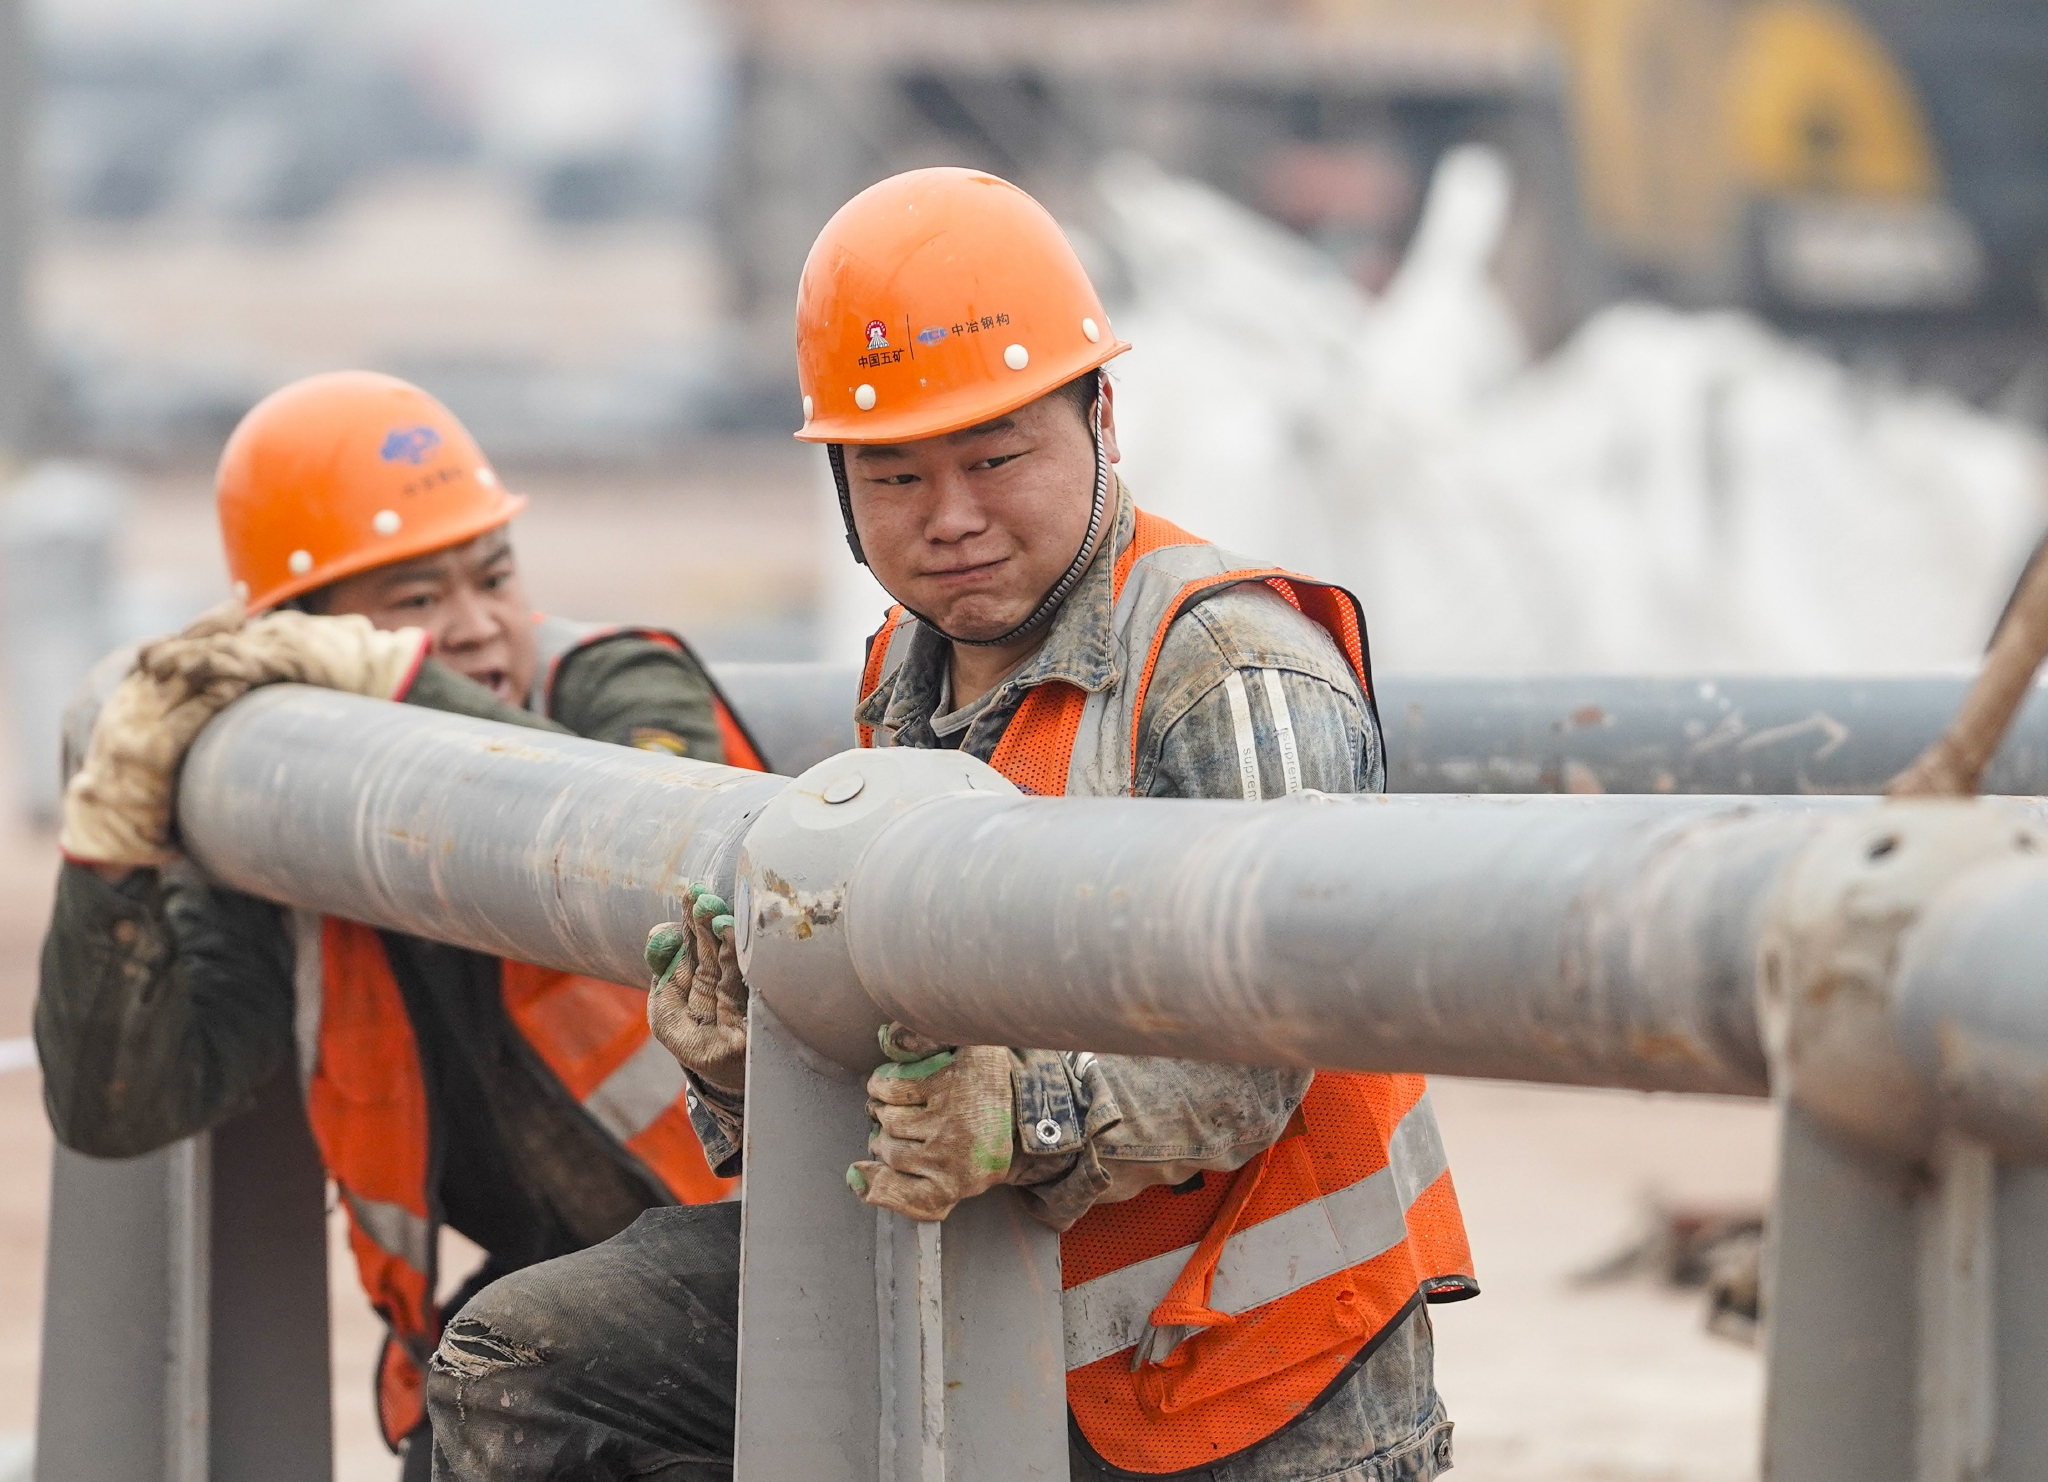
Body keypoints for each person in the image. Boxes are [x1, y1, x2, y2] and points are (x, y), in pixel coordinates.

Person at [426, 170, 1476, 1482]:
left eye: (995, 457)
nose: (954, 516)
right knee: (531, 1368)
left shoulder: (1228, 669)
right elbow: (907, 1026)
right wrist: (751, 1060)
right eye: (898, 474)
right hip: (1006, 1330)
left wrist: (1020, 1115)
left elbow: (1273, 1041)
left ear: (1101, 415)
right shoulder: (908, 674)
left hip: (1263, 1393)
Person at [37, 370, 765, 1480]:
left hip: (766, 1265)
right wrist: (111, 847)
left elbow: (626, 831)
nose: (475, 631)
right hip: (545, 1291)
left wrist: (395, 677)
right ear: (292, 644)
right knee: (485, 1393)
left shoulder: (617, 689)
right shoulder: (288, 834)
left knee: (532, 1374)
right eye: (415, 600)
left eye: (493, 577)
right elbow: (122, 1103)